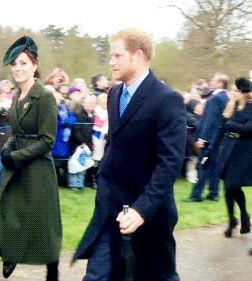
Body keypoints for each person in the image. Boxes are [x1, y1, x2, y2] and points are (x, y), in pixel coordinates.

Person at [73, 28, 186, 281]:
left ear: (137, 56)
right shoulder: (114, 94)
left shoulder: (167, 99)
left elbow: (170, 162)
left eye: (117, 55)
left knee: (158, 276)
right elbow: (115, 144)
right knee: (97, 275)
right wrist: (103, 181)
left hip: (150, 213)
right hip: (111, 208)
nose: (111, 62)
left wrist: (141, 210)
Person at [0, 36, 61, 281]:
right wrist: (6, 149)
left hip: (37, 173)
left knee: (43, 230)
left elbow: (47, 140)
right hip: (13, 171)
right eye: (14, 64)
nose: (17, 68)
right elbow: (16, 131)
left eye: (23, 63)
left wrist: (16, 156)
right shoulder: (17, 97)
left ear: (34, 65)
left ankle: (53, 275)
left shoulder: (44, 96)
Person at [186, 73, 229, 202]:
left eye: (214, 81)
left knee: (202, 165)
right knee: (214, 166)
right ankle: (214, 193)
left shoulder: (215, 99)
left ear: (220, 83)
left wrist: (202, 139)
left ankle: (196, 194)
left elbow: (210, 121)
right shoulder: (225, 97)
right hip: (218, 139)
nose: (210, 83)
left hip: (209, 139)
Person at [218, 77, 251, 238]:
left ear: (243, 92)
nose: (232, 93)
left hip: (244, 152)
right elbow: (222, 126)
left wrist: (232, 125)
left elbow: (249, 129)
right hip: (228, 149)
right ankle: (232, 219)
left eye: (235, 90)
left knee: (233, 185)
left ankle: (244, 215)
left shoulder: (251, 108)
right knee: (228, 187)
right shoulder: (232, 106)